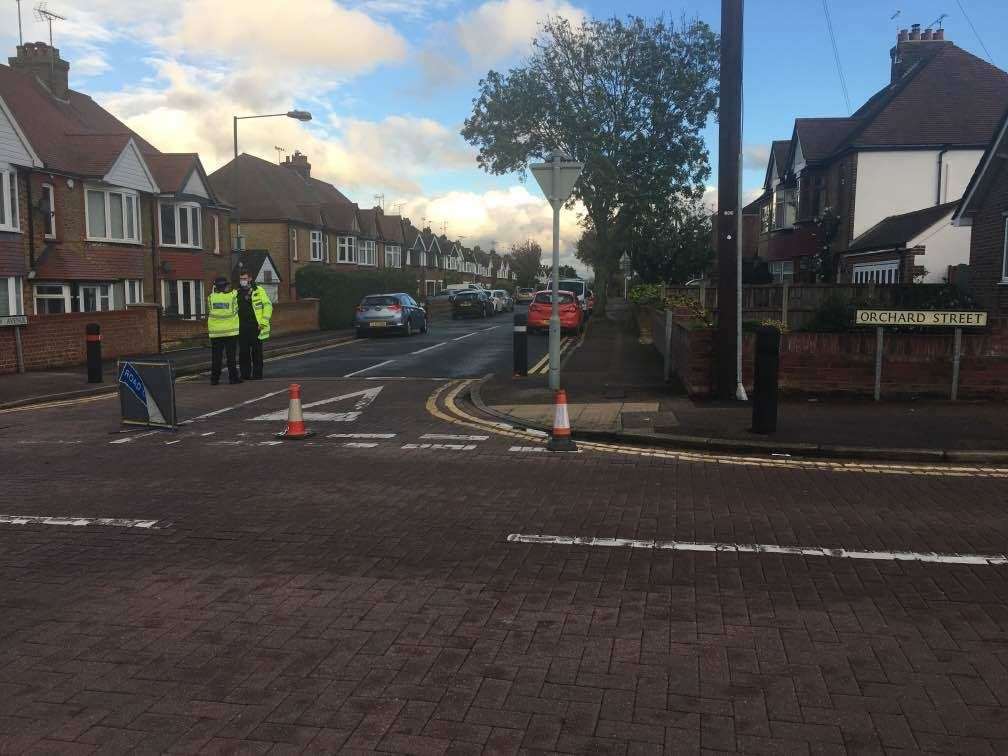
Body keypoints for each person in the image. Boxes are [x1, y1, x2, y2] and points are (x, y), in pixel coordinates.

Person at [236, 269, 273, 380]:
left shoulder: (259, 291)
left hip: (255, 326)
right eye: (241, 278)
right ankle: (245, 374)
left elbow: (268, 306)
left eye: (245, 278)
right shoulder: (237, 292)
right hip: (242, 327)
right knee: (243, 353)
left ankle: (257, 374)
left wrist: (263, 322)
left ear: (250, 279)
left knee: (256, 353)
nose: (242, 281)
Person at [207, 276, 241, 385]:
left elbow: (210, 310)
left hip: (215, 333)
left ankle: (214, 379)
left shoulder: (210, 298)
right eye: (227, 285)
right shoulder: (232, 297)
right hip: (230, 332)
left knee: (216, 358)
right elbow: (236, 309)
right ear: (225, 286)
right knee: (231, 357)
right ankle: (233, 378)